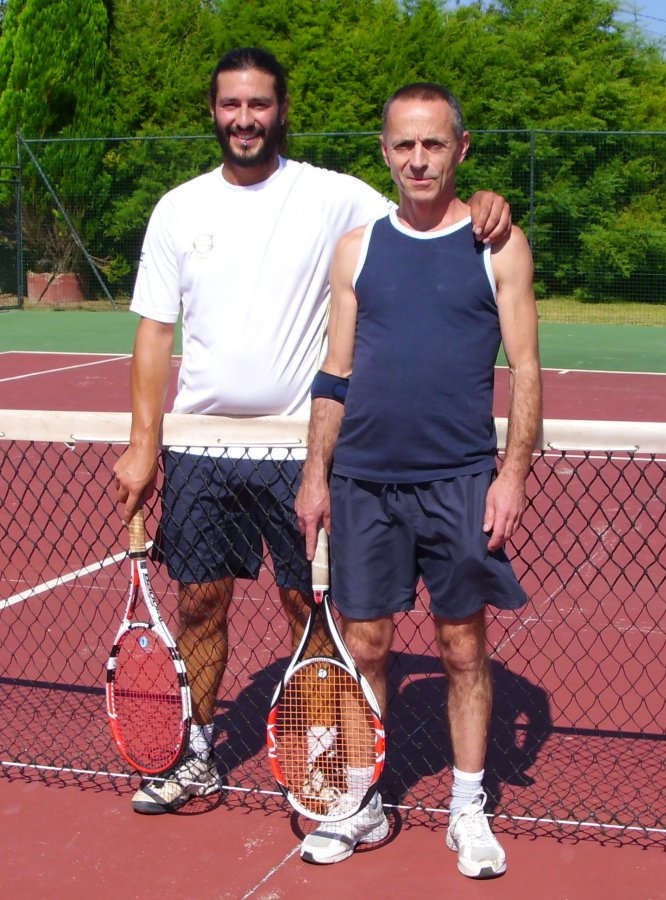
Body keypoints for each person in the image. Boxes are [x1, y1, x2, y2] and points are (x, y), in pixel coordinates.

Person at [113, 48, 512, 817]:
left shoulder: (332, 196)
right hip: (198, 447)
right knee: (199, 605)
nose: (244, 119)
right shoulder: (178, 209)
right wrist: (142, 443)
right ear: (213, 111)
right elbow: (155, 334)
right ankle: (198, 754)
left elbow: (423, 209)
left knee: (314, 612)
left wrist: (487, 201)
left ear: (282, 110)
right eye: (231, 104)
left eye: (259, 104)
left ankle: (331, 764)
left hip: (298, 449)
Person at [295, 82, 542, 877]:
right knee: (366, 644)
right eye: (404, 145)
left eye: (434, 144)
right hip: (364, 480)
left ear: (461, 149)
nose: (418, 159)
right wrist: (315, 473)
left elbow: (527, 371)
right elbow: (335, 371)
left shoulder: (496, 242)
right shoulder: (357, 248)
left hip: (461, 480)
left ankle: (467, 806)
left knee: (463, 647)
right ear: (384, 152)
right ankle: (362, 801)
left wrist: (512, 476)